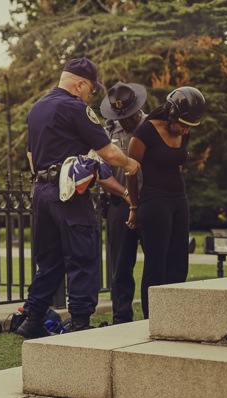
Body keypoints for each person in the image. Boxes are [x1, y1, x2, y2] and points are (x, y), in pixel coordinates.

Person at [16, 57, 141, 339]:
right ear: (79, 83)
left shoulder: (37, 109)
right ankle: (80, 322)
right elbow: (107, 151)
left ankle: (33, 318)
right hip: (69, 192)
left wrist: (45, 181)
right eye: (90, 89)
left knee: (49, 260)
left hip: (42, 191)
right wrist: (131, 164)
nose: (91, 94)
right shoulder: (74, 108)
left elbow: (31, 156)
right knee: (83, 254)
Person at [126, 86, 206, 319]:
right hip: (153, 201)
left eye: (188, 126)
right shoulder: (144, 133)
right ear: (171, 114)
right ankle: (153, 318)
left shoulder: (184, 131)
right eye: (182, 124)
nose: (184, 129)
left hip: (179, 200)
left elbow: (177, 164)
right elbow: (132, 172)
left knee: (179, 260)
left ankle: (174, 316)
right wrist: (134, 206)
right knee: (156, 262)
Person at [98, 82, 147, 324]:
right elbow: (101, 174)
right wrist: (126, 195)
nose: (125, 121)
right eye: (121, 116)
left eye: (129, 115)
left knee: (155, 265)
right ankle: (121, 318)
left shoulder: (152, 127)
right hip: (118, 204)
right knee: (119, 267)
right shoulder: (108, 134)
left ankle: (156, 314)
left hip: (149, 203)